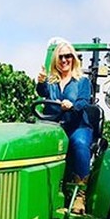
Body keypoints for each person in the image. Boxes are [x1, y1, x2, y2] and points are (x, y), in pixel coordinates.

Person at [36, 41, 93, 183]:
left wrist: (72, 105)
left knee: (80, 143)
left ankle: (80, 189)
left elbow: (84, 102)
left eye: (68, 56)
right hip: (53, 126)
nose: (64, 60)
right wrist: (41, 82)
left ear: (73, 58)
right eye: (60, 57)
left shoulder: (82, 81)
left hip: (76, 126)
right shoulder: (51, 82)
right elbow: (42, 92)